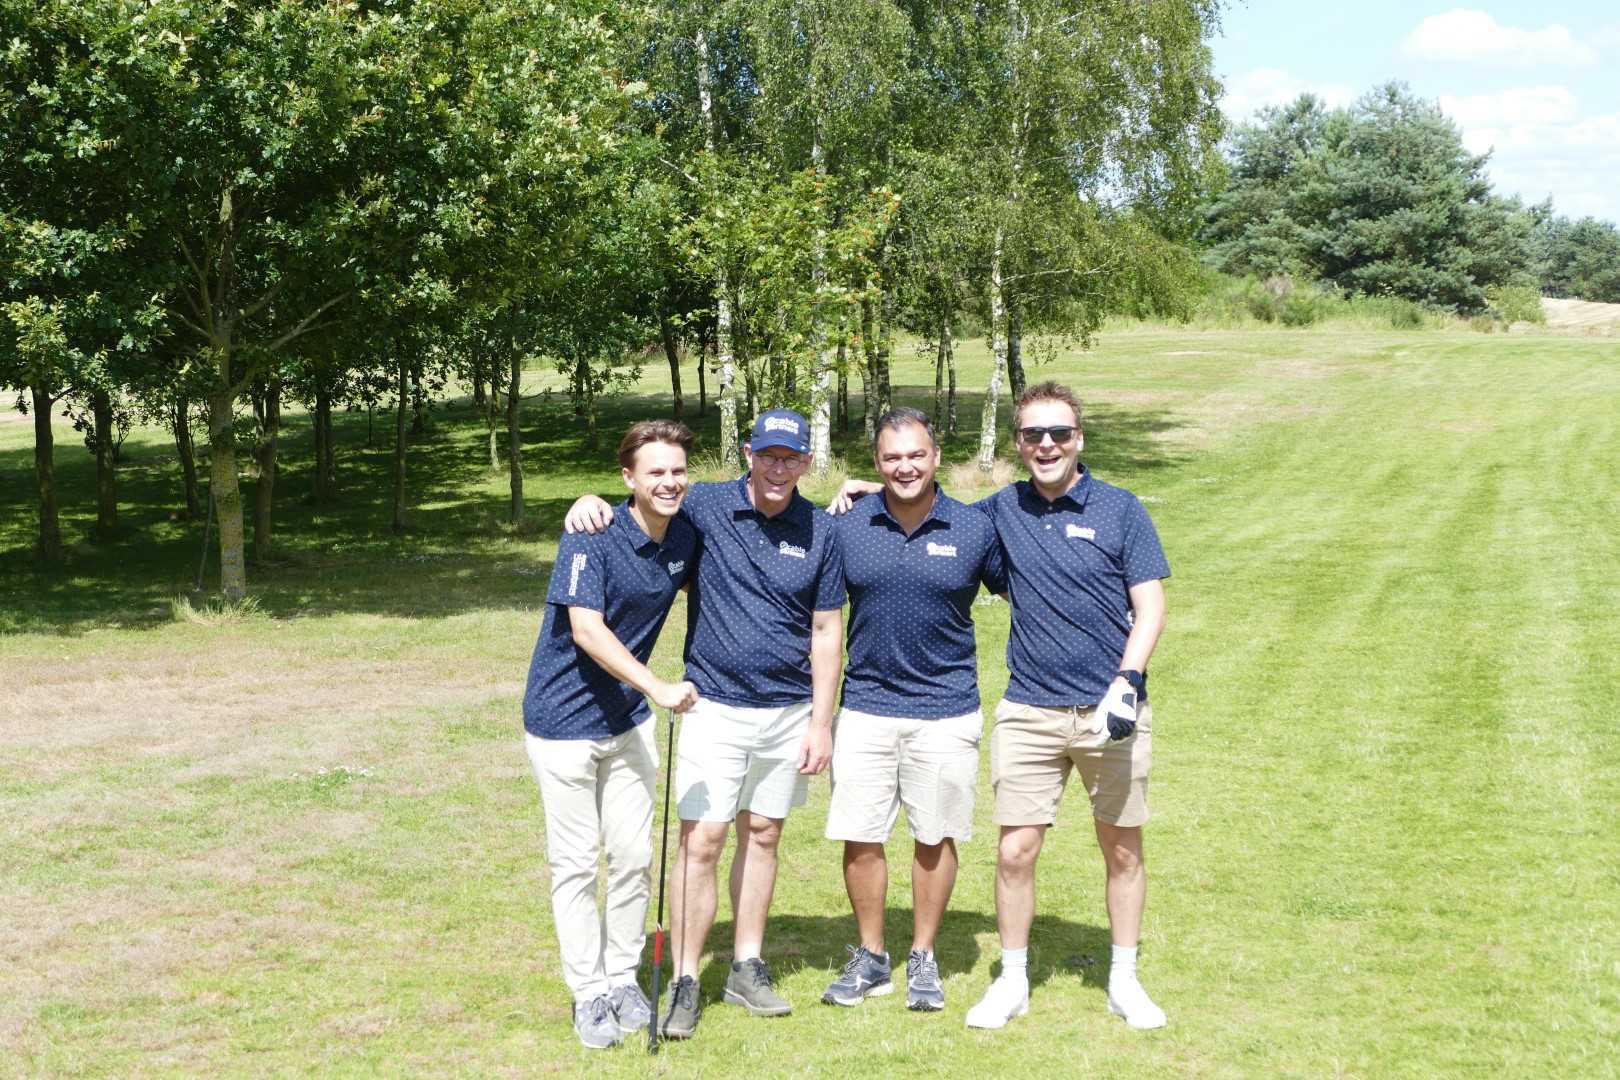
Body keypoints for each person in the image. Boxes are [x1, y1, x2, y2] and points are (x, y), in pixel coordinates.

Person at [562, 408, 843, 1040]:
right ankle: (685, 979)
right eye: (768, 456)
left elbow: (827, 631)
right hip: (712, 704)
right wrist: (587, 501)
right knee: (702, 842)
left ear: (806, 462)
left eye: (790, 458)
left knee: (764, 835)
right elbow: (644, 498)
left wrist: (821, 723)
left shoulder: (821, 529)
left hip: (789, 710)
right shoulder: (705, 505)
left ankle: (746, 966)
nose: (778, 468)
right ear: (748, 454)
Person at [965, 380, 1171, 1030]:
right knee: (1014, 852)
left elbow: (1151, 606)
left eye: (1059, 432)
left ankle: (1123, 982)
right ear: (1018, 442)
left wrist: (1127, 681)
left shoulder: (1120, 509)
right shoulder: (1000, 510)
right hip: (1030, 709)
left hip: (1112, 708)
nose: (1047, 444)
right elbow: (929, 512)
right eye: (1034, 434)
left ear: (1079, 438)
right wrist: (867, 491)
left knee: (1123, 849)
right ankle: (1013, 982)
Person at [522, 419, 701, 1050]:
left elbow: (759, 491)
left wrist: (869, 489)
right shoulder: (590, 535)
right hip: (563, 724)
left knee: (632, 858)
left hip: (626, 724)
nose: (669, 482)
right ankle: (588, 992)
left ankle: (622, 978)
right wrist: (657, 687)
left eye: (677, 471)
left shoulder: (685, 533)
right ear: (628, 477)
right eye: (654, 472)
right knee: (576, 865)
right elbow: (586, 629)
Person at [819, 407, 1006, 1013]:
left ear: (936, 457)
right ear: (876, 462)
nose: (905, 467)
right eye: (892, 457)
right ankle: (872, 956)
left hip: (946, 707)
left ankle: (923, 955)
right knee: (861, 835)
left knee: (935, 835)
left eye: (916, 455)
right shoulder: (846, 524)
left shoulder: (974, 527)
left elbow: (1026, 589)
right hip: (865, 705)